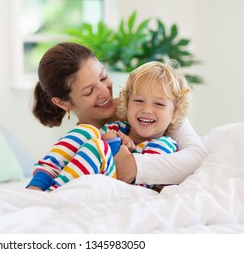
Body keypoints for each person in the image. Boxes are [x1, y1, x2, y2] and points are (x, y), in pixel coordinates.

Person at [26, 42, 207, 190]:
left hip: (124, 185)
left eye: (103, 77)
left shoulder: (142, 110)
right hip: (86, 182)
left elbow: (196, 156)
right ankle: (37, 189)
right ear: (63, 103)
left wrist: (133, 164)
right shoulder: (91, 132)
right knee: (88, 132)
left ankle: (51, 195)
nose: (105, 92)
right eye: (89, 91)